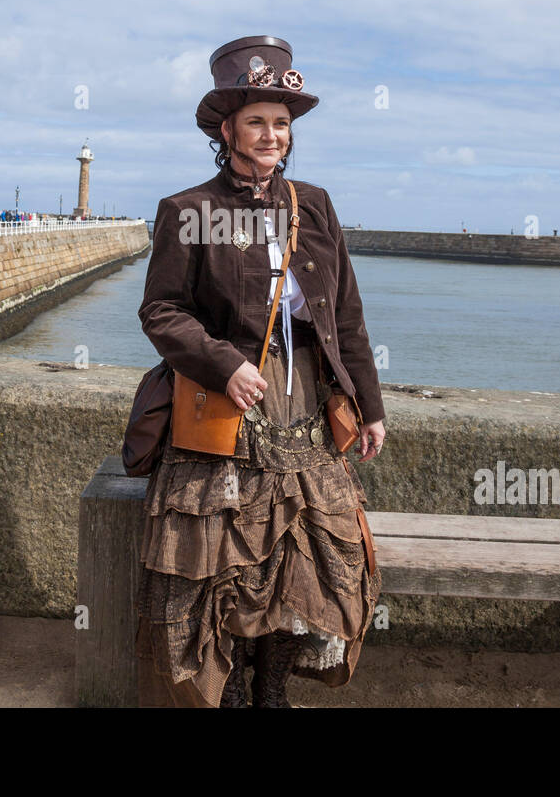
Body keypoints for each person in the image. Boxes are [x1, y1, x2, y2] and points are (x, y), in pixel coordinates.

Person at [136, 35, 386, 708]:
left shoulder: (317, 205)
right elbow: (160, 311)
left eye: (281, 123)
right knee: (231, 559)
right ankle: (236, 687)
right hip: (227, 409)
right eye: (257, 122)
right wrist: (223, 365)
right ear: (227, 129)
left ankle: (271, 686)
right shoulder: (190, 211)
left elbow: (348, 316)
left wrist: (372, 405)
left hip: (307, 401)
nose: (272, 135)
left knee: (303, 554)